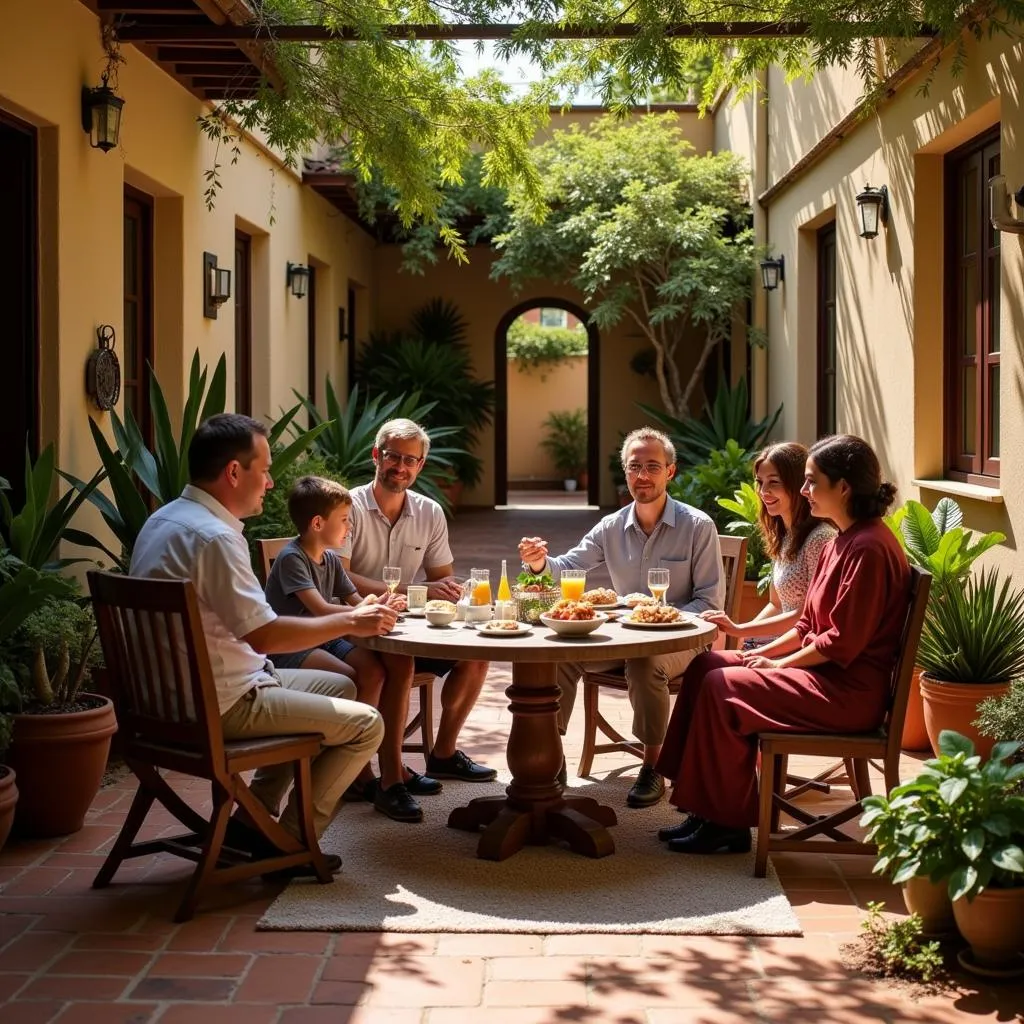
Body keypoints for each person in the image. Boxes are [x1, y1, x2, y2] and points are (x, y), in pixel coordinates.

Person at [130, 413, 390, 877]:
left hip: (165, 702)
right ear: (234, 472)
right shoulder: (213, 538)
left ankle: (255, 815)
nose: (270, 483)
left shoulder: (162, 519)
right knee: (368, 725)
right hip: (220, 704)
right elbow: (266, 634)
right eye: (265, 470)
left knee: (343, 689)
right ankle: (290, 844)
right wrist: (352, 620)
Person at [655, 434, 911, 854]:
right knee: (707, 667)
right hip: (823, 676)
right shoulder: (844, 539)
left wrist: (780, 667)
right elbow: (809, 621)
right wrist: (761, 654)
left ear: (843, 487)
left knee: (724, 687)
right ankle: (703, 806)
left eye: (812, 482)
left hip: (845, 692)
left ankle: (727, 823)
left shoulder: (867, 548)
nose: (804, 490)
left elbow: (838, 641)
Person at [518, 426, 724, 808]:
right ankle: (551, 757)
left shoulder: (698, 527)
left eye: (652, 467)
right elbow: (569, 568)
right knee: (557, 655)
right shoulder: (611, 527)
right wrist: (539, 563)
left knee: (646, 664)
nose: (642, 476)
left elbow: (709, 603)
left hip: (681, 640)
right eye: (634, 467)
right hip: (623, 635)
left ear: (670, 472)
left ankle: (653, 766)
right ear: (625, 472)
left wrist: (658, 616)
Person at [341, 418, 496, 825]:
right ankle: (390, 780)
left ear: (421, 466)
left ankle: (443, 754)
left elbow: (441, 576)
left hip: (406, 627)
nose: (401, 467)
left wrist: (446, 589)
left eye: (411, 460)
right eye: (394, 456)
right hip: (352, 625)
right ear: (377, 455)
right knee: (400, 663)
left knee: (476, 656)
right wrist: (416, 591)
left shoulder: (429, 512)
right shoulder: (347, 507)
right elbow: (338, 577)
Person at [264, 475, 396, 708]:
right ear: (317, 524)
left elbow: (356, 601)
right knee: (350, 677)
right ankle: (345, 737)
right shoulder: (292, 558)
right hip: (292, 646)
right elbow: (322, 610)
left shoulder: (330, 559)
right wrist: (367, 608)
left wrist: (383, 602)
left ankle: (364, 740)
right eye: (344, 520)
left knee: (374, 672)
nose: (350, 526)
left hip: (324, 638)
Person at [701, 442, 836, 649]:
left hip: (798, 648)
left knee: (711, 668)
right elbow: (776, 604)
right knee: (711, 654)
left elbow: (807, 617)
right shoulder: (785, 536)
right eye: (760, 482)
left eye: (774, 482)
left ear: (798, 484)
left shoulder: (820, 539)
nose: (764, 491)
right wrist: (741, 639)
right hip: (776, 642)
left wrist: (742, 633)